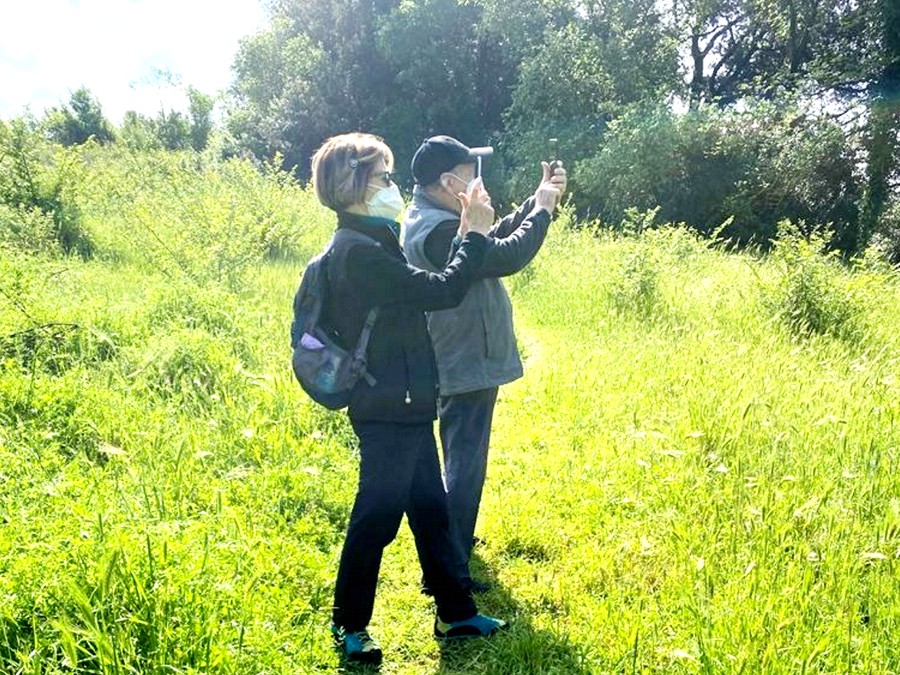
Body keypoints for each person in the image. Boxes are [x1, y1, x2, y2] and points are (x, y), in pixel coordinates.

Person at [308, 132, 507, 666]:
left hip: (408, 401)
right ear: (353, 186)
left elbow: (423, 290)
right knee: (377, 515)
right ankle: (349, 624)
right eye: (383, 177)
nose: (391, 187)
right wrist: (475, 234)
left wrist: (467, 234)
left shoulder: (375, 239)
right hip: (385, 407)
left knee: (431, 511)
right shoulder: (358, 253)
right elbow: (442, 290)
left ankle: (455, 613)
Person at [402, 136, 566, 591]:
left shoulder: (436, 216)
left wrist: (537, 199)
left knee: (462, 458)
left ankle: (453, 542)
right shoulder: (436, 230)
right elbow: (505, 256)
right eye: (469, 174)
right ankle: (448, 568)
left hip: (462, 355)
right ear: (447, 182)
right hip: (464, 358)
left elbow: (492, 240)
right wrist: (543, 210)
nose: (478, 181)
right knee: (464, 465)